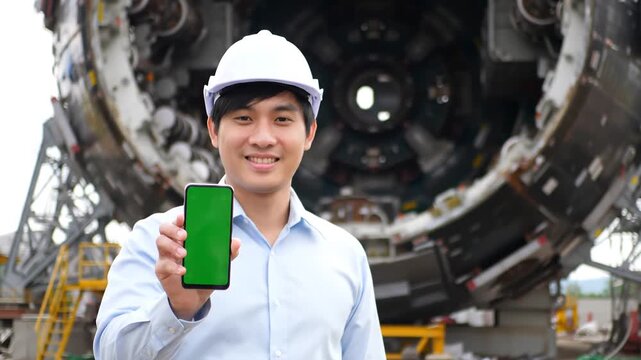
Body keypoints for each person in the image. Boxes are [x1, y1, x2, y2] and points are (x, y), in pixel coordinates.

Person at [93, 30, 386, 359]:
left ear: (310, 133)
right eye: (244, 118)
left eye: (282, 119)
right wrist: (176, 310)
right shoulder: (160, 241)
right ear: (214, 131)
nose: (263, 138)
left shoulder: (346, 256)